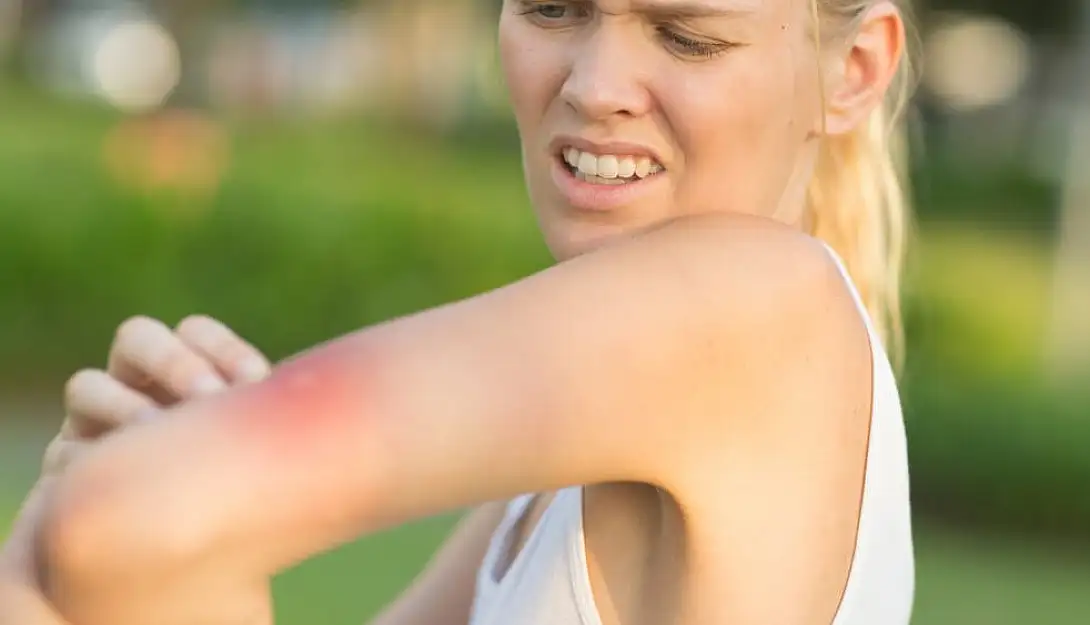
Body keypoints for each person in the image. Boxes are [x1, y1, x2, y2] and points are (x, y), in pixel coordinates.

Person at [0, 0, 917, 623]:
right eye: (553, 7)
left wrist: (112, 517)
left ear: (855, 70)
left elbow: (121, 519)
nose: (595, 85)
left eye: (686, 35)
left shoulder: (754, 302)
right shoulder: (561, 474)